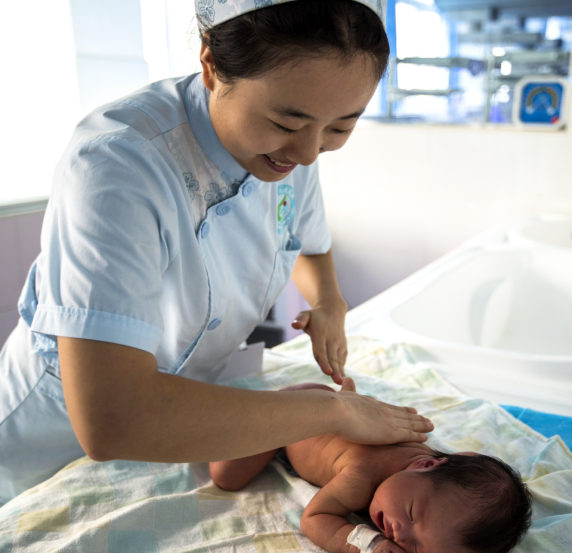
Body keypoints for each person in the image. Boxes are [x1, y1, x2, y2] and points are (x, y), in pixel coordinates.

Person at [0, 0, 434, 506]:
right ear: (211, 64)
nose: (308, 153)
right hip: (49, 442)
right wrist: (334, 412)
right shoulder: (117, 165)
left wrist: (328, 302)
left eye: (341, 128)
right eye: (286, 123)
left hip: (187, 414)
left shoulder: (292, 147)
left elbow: (308, 242)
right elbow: (112, 419)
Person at [210, 382, 533, 553]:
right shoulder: (361, 476)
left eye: (416, 549)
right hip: (293, 416)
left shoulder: (430, 470)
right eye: (410, 513)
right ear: (424, 463)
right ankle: (242, 411)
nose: (399, 534)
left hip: (334, 407)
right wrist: (367, 543)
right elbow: (315, 518)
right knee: (226, 476)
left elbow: (467, 462)